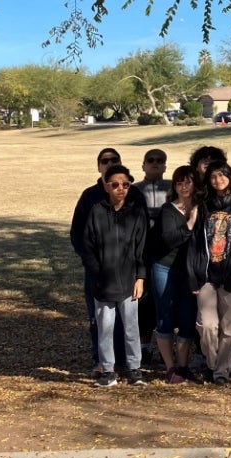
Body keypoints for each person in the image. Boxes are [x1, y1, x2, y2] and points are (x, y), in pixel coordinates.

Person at [70, 148, 146, 377]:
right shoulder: (90, 199)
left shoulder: (135, 198)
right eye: (105, 161)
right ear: (99, 166)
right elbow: (79, 235)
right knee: (100, 322)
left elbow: (141, 241)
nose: (119, 188)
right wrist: (93, 267)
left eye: (114, 160)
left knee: (129, 323)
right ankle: (102, 363)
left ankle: (128, 364)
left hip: (128, 274)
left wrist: (140, 274)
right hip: (99, 273)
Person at [188, 162, 231, 386]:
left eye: (222, 175)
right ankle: (213, 363)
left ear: (230, 177)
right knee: (206, 325)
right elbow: (195, 240)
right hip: (207, 274)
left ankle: (222, 372)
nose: (218, 180)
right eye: (213, 176)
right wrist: (194, 273)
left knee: (228, 328)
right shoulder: (204, 204)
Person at [153, 165, 200, 384]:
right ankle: (170, 367)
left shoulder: (202, 207)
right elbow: (169, 239)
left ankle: (183, 365)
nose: (184, 186)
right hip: (165, 268)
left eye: (188, 181)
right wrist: (190, 223)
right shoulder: (168, 210)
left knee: (188, 318)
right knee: (166, 316)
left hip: (190, 271)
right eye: (179, 182)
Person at [133, 148, 172, 367]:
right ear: (143, 165)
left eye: (160, 161)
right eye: (151, 161)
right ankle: (144, 349)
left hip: (167, 256)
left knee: (167, 302)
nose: (155, 164)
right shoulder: (135, 190)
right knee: (144, 304)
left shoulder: (172, 188)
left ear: (165, 165)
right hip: (142, 254)